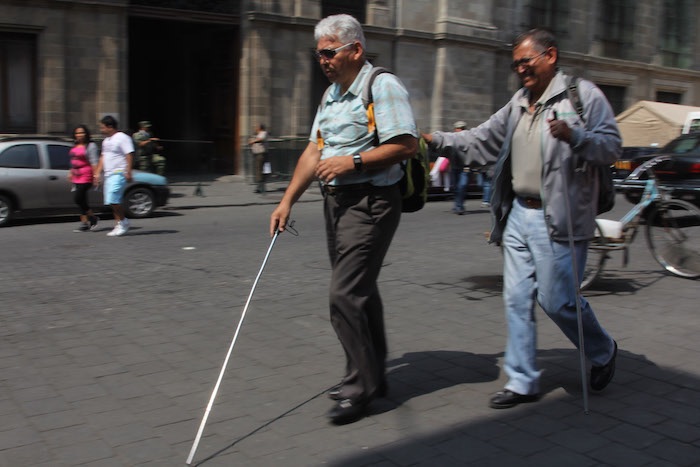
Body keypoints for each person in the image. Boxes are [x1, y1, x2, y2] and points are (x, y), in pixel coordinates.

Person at [423, 28, 619, 409]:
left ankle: (603, 349)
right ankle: (522, 380)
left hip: (559, 219)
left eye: (525, 62)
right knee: (515, 299)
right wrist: (433, 139)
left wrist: (576, 137)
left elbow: (611, 147)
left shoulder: (582, 96)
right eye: (515, 64)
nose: (520, 70)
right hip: (518, 216)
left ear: (550, 56)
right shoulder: (517, 103)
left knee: (558, 301)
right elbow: (480, 139)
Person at [269, 14, 418, 424]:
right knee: (361, 291)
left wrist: (351, 162)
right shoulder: (331, 96)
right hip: (336, 204)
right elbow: (313, 153)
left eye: (328, 51)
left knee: (344, 295)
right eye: (317, 53)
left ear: (355, 49)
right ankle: (371, 375)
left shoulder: (382, 85)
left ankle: (362, 387)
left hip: (371, 203)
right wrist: (286, 202)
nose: (322, 60)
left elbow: (406, 144)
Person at [95, 115, 134, 237]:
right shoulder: (106, 141)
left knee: (113, 198)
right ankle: (119, 224)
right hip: (108, 174)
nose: (101, 130)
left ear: (110, 127)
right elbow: (103, 157)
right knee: (112, 202)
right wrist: (97, 172)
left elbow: (129, 154)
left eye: (103, 127)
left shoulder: (122, 138)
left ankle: (124, 221)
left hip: (119, 172)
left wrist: (128, 171)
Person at [68, 124, 100, 232]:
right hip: (76, 175)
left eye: (82, 132)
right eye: (77, 133)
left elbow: (94, 162)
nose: (80, 135)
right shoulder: (75, 145)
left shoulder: (91, 146)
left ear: (86, 134)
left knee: (78, 198)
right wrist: (70, 172)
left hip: (86, 175)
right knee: (82, 199)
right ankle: (84, 223)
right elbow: (73, 160)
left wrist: (96, 176)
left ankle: (93, 217)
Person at [450, 120, 468, 214]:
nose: (460, 130)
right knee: (455, 187)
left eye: (462, 128)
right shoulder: (452, 139)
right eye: (458, 128)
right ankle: (457, 205)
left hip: (464, 167)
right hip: (454, 166)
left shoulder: (468, 139)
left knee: (462, 186)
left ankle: (459, 206)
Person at [248, 123, 269, 194]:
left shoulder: (263, 133)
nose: (255, 128)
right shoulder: (256, 134)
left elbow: (260, 139)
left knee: (260, 170)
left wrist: (253, 141)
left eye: (256, 127)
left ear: (260, 128)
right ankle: (259, 186)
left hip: (261, 154)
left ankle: (261, 187)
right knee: (258, 170)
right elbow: (250, 140)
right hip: (256, 154)